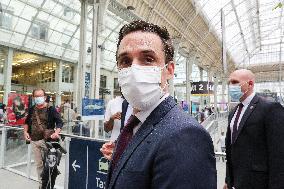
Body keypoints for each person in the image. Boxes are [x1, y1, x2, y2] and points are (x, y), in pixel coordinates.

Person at [101, 20, 216, 189]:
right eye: (125, 61)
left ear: (169, 70)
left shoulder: (186, 135)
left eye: (148, 59)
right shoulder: (136, 125)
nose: (134, 70)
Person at [224, 69, 284, 189]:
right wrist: (228, 179)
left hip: (258, 183)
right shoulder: (233, 112)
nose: (231, 86)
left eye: (235, 82)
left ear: (250, 84)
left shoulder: (270, 109)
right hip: (236, 182)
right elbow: (231, 148)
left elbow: (278, 154)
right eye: (229, 83)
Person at [23, 88, 63, 188]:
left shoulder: (51, 109)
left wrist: (56, 132)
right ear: (33, 97)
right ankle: (42, 185)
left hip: (47, 142)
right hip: (34, 141)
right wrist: (25, 132)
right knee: (39, 165)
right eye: (36, 96)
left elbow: (59, 122)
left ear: (44, 97)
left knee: (49, 166)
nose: (38, 98)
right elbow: (26, 122)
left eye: (40, 96)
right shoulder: (32, 109)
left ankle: (49, 185)